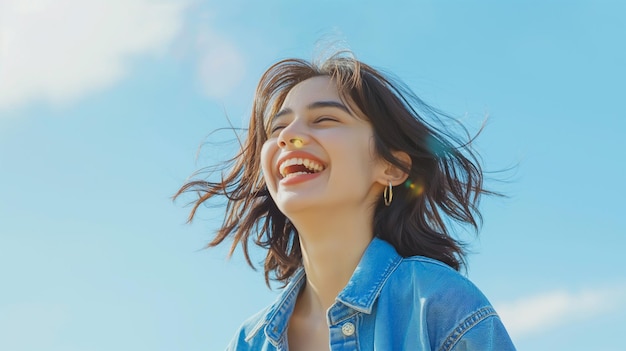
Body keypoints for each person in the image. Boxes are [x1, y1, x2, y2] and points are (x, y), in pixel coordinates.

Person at [175, 51, 516, 350]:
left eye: (324, 119)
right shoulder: (247, 343)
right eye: (277, 128)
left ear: (392, 168)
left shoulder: (442, 306)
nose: (288, 137)